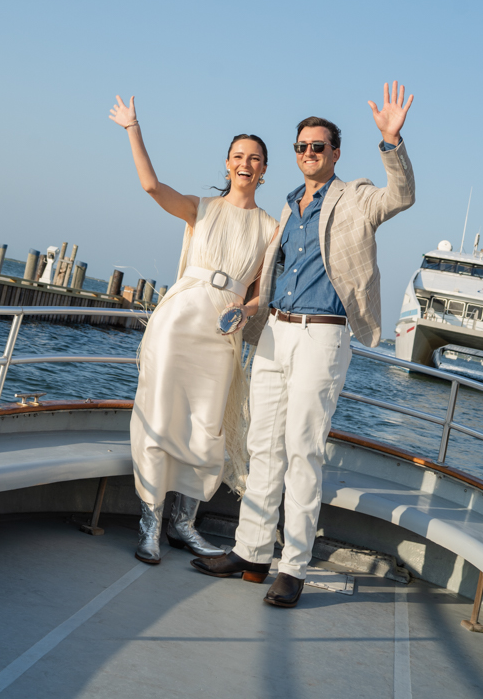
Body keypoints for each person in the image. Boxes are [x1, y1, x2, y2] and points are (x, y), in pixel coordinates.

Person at [192, 81, 415, 607]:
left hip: (323, 335)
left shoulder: (356, 199)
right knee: (261, 445)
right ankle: (250, 553)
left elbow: (401, 196)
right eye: (301, 147)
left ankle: (292, 566)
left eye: (318, 147)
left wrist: (392, 142)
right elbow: (271, 280)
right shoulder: (289, 209)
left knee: (303, 451)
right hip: (275, 331)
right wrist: (249, 309)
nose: (308, 154)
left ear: (335, 154)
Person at [109, 94, 278, 565]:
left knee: (207, 427)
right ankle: (150, 525)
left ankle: (184, 525)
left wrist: (245, 313)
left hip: (223, 331)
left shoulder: (271, 227)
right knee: (160, 415)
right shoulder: (199, 208)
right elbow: (149, 185)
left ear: (264, 170)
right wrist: (132, 127)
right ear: (227, 164)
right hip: (179, 320)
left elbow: (261, 292)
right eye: (239, 156)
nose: (246, 164)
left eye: (255, 159)